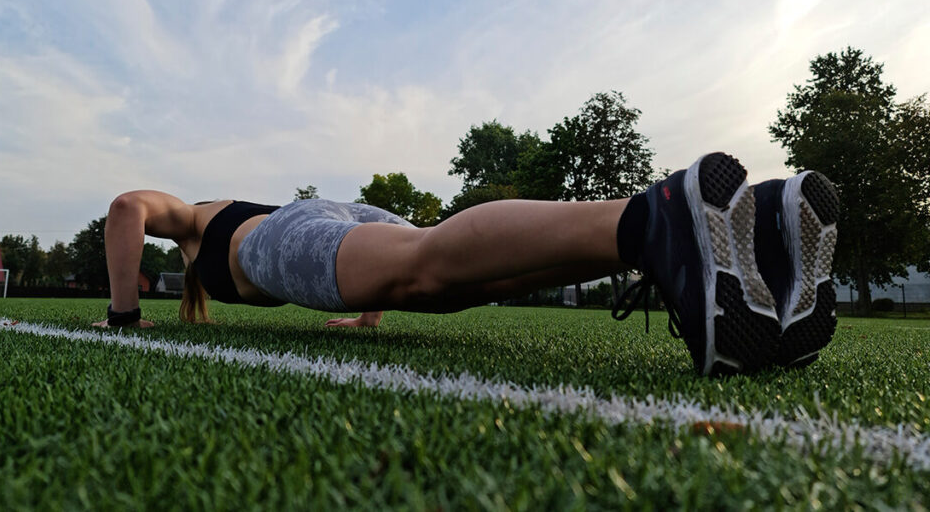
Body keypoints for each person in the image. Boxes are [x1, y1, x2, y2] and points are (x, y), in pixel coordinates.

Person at [94, 152, 839, 376]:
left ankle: (654, 218)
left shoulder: (199, 220)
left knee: (424, 262)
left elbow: (127, 205)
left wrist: (122, 316)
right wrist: (371, 303)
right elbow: (350, 242)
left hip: (287, 234)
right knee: (450, 283)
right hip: (336, 220)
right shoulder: (213, 249)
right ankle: (755, 252)